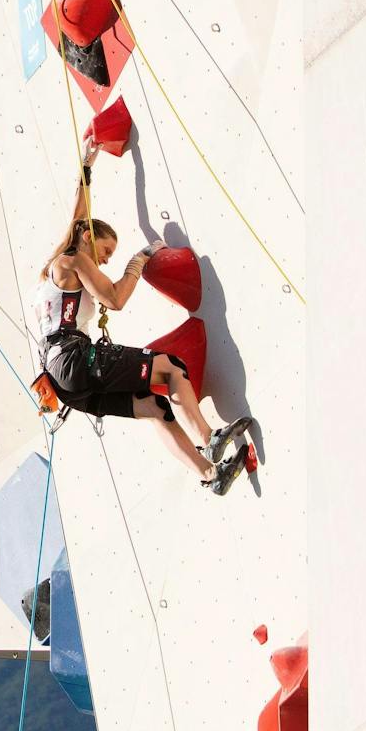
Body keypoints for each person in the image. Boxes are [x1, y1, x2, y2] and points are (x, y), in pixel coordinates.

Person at [33, 141, 250, 495]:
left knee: (154, 405)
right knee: (170, 367)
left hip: (65, 383)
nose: (104, 262)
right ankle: (210, 439)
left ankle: (212, 475)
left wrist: (86, 168)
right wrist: (140, 261)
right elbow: (115, 298)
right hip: (74, 359)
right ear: (87, 238)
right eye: (105, 252)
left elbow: (77, 218)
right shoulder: (74, 260)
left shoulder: (55, 269)